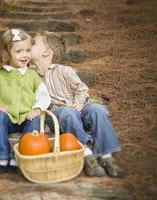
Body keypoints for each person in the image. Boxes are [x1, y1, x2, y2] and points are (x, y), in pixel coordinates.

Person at [30, 31, 125, 178]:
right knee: (67, 112)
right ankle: (87, 154)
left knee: (97, 109)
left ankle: (107, 157)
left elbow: (81, 88)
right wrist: (41, 120)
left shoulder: (64, 71)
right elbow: (30, 102)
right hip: (56, 115)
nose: (28, 44)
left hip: (78, 108)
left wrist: (79, 103)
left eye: (33, 42)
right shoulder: (30, 76)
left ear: (46, 52)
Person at [0, 29, 51, 174]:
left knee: (35, 121)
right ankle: (1, 156)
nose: (25, 55)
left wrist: (38, 108)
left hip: (27, 116)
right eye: (19, 51)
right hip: (7, 115)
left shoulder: (33, 75)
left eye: (27, 50)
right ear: (7, 53)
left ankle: (17, 156)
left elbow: (44, 95)